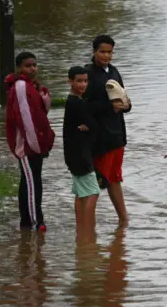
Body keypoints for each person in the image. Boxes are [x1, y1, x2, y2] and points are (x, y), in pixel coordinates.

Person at [84, 34, 132, 226]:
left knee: (115, 179)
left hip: (117, 136)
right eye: (102, 52)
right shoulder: (87, 74)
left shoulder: (114, 72)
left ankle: (124, 220)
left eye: (110, 52)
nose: (106, 56)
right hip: (101, 138)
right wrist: (108, 108)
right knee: (96, 183)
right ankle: (87, 227)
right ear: (94, 52)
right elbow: (84, 107)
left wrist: (126, 106)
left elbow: (124, 98)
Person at [5, 52, 55, 232]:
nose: (33, 68)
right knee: (32, 183)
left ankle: (27, 221)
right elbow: (24, 118)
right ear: (19, 67)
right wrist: (34, 146)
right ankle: (36, 221)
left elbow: (41, 113)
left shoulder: (31, 86)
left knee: (31, 181)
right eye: (28, 65)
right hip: (27, 145)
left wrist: (43, 95)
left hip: (36, 143)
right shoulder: (20, 86)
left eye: (34, 65)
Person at [63, 66, 100, 239]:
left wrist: (88, 127)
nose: (83, 84)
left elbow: (88, 125)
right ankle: (88, 229)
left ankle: (81, 228)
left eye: (85, 81)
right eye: (79, 81)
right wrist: (89, 127)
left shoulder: (72, 101)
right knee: (93, 192)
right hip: (81, 155)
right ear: (70, 81)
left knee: (80, 192)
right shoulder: (77, 103)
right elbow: (94, 125)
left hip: (72, 154)